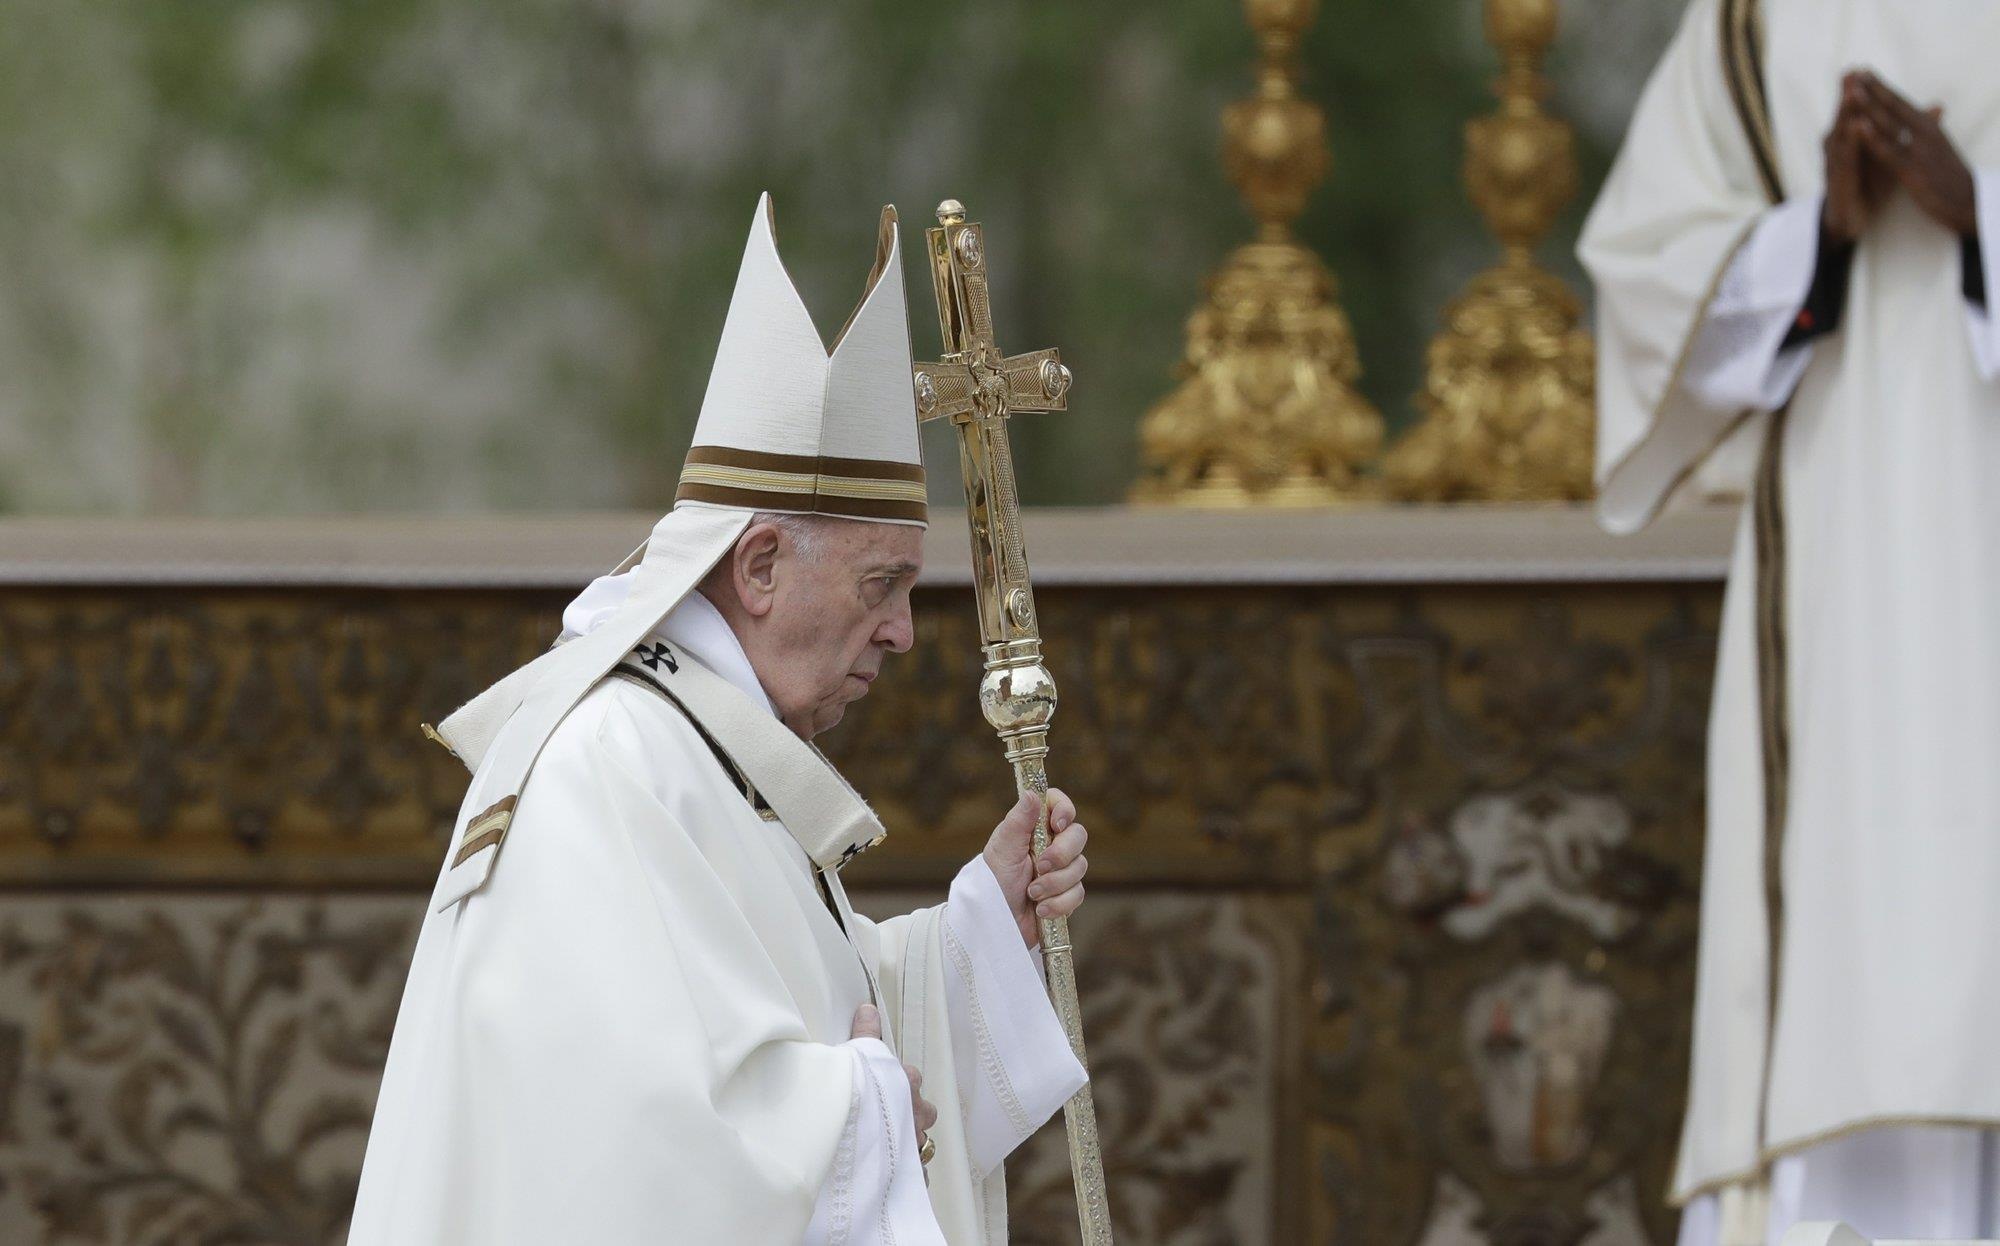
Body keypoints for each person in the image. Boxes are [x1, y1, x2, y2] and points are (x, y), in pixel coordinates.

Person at [348, 194, 1091, 1244]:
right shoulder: (609, 766)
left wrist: (980, 935)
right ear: (757, 566)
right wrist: (862, 1111)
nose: (901, 635)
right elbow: (628, 1138)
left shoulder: (699, 752)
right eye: (880, 586)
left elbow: (781, 1020)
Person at [1581, 2, 2000, 1243]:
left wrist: (1975, 212)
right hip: (1835, 563)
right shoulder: (1755, 17)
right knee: (1835, 929)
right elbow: (1646, 261)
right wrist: (1817, 229)